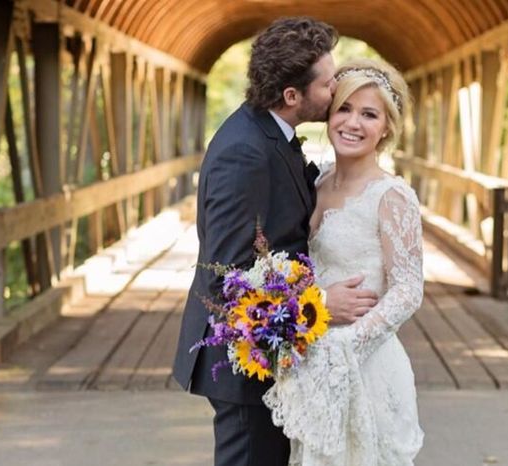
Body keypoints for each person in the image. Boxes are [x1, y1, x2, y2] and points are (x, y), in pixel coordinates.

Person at [172, 18, 379, 466]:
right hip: (242, 363)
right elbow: (226, 277)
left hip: (271, 356)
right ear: (291, 96)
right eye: (327, 84)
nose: (336, 90)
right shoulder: (245, 152)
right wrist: (319, 304)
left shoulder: (268, 133)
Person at [264, 58, 425, 465]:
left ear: (386, 127)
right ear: (329, 115)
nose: (353, 123)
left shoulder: (391, 196)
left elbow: (408, 289)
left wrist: (347, 345)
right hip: (313, 359)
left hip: (364, 363)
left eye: (369, 114)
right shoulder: (317, 182)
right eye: (345, 109)